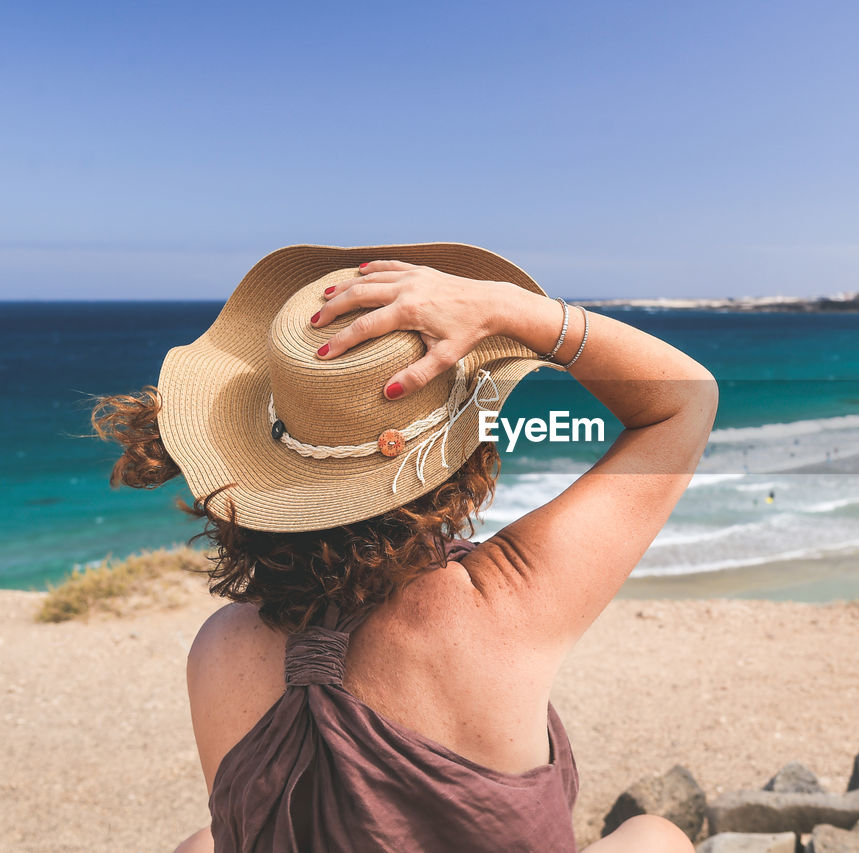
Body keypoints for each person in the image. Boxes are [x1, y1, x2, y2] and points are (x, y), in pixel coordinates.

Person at [91, 244, 717, 853]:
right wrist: (511, 310)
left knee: (201, 843)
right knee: (657, 837)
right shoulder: (503, 604)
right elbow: (682, 401)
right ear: (464, 453)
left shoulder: (217, 649)